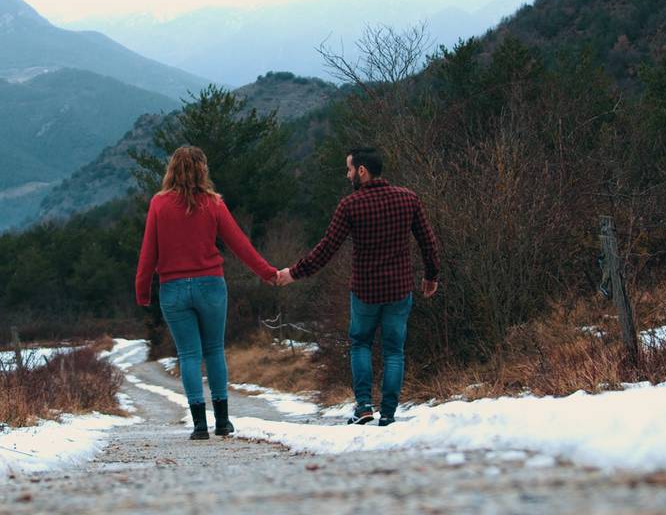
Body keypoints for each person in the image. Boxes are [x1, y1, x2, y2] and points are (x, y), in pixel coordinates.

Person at [276, 147, 440, 426]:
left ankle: (363, 406)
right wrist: (431, 275)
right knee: (394, 350)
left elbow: (327, 248)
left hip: (365, 291)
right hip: (399, 289)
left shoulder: (350, 205)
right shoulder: (408, 199)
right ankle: (388, 413)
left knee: (360, 344)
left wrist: (294, 273)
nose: (347, 173)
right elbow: (428, 241)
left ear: (362, 170)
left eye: (350, 168)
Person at [136, 146, 279, 440]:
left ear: (171, 170)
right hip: (210, 285)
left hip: (173, 289)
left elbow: (149, 251)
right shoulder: (213, 203)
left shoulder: (159, 204)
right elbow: (240, 243)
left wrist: (142, 291)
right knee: (214, 351)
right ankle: (223, 421)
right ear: (203, 170)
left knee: (189, 354)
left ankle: (199, 424)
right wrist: (268, 273)